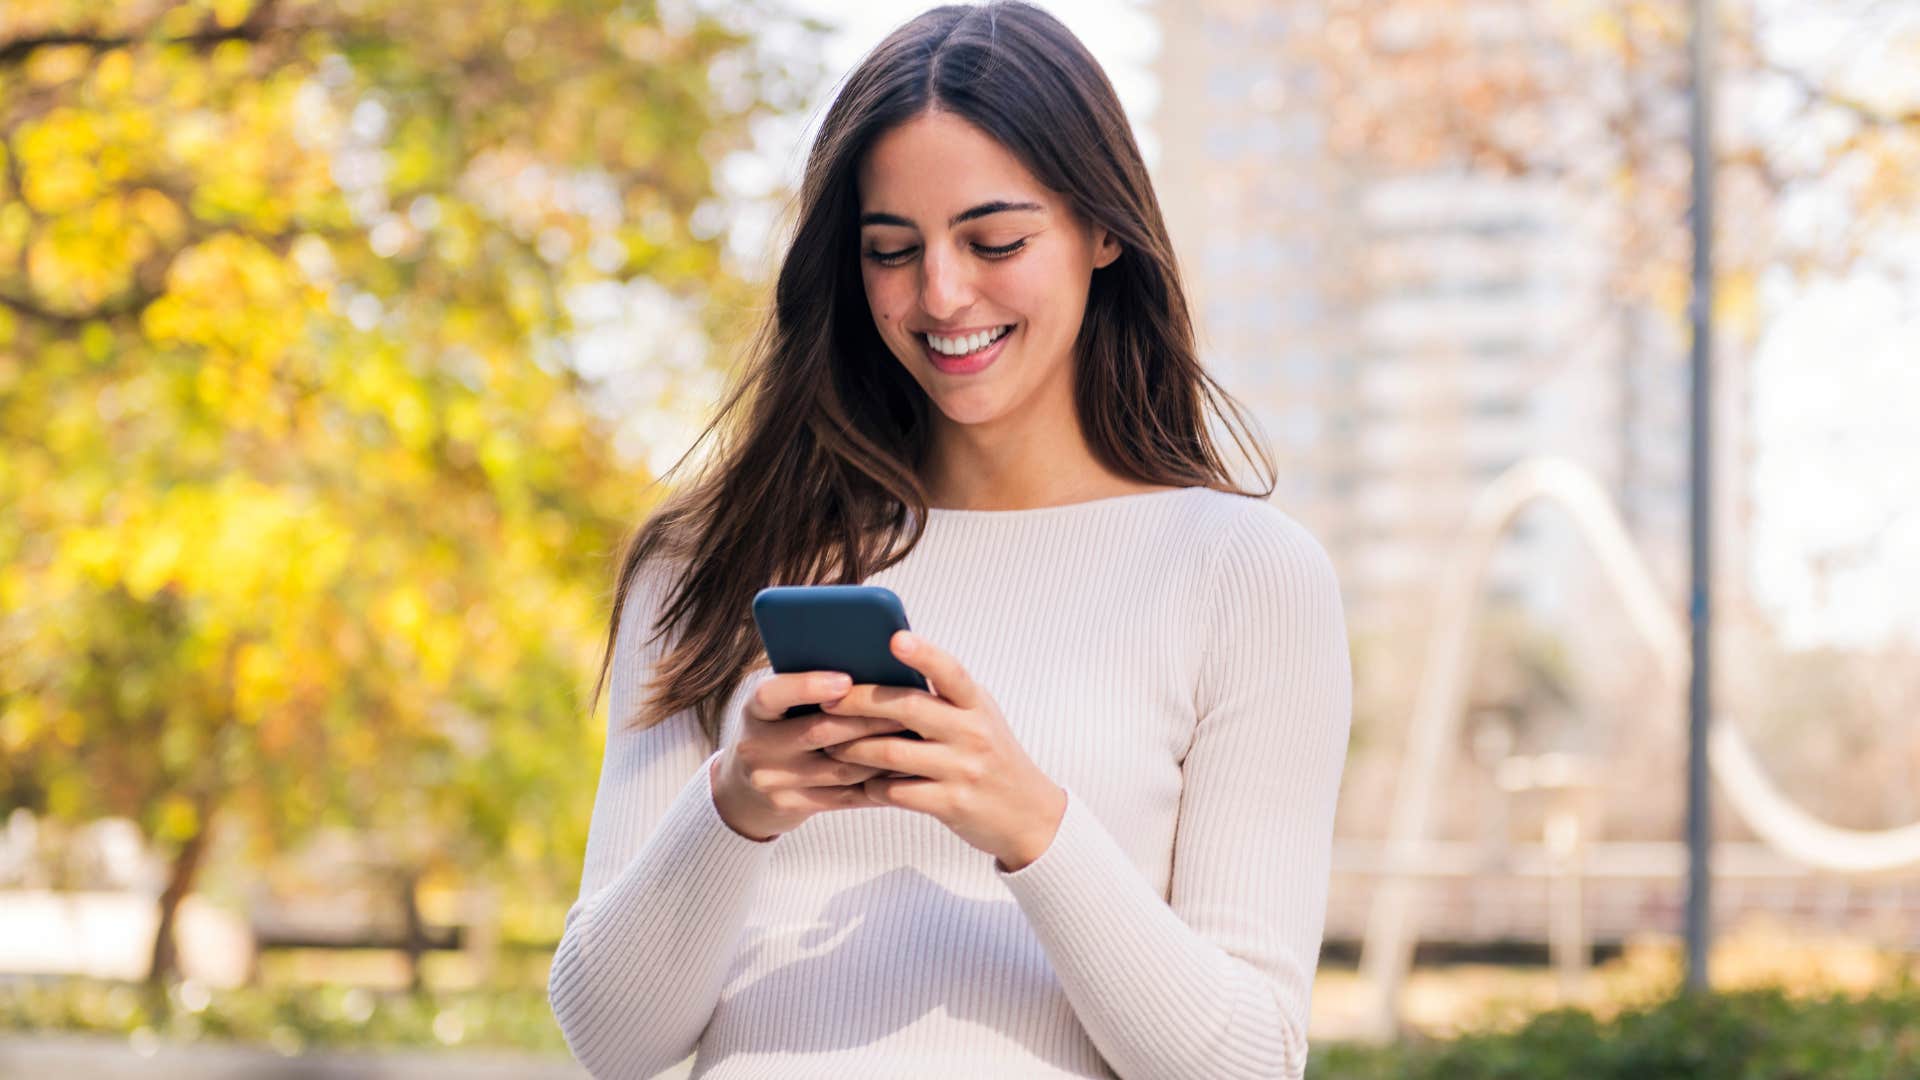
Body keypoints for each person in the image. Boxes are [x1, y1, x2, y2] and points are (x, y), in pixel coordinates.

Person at [546, 3, 1353, 1077]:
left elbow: (1247, 1062)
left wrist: (1028, 824)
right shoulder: (711, 559)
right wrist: (736, 805)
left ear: (1103, 229)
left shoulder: (1244, 575)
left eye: (996, 240)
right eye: (891, 250)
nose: (941, 295)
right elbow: (610, 1039)